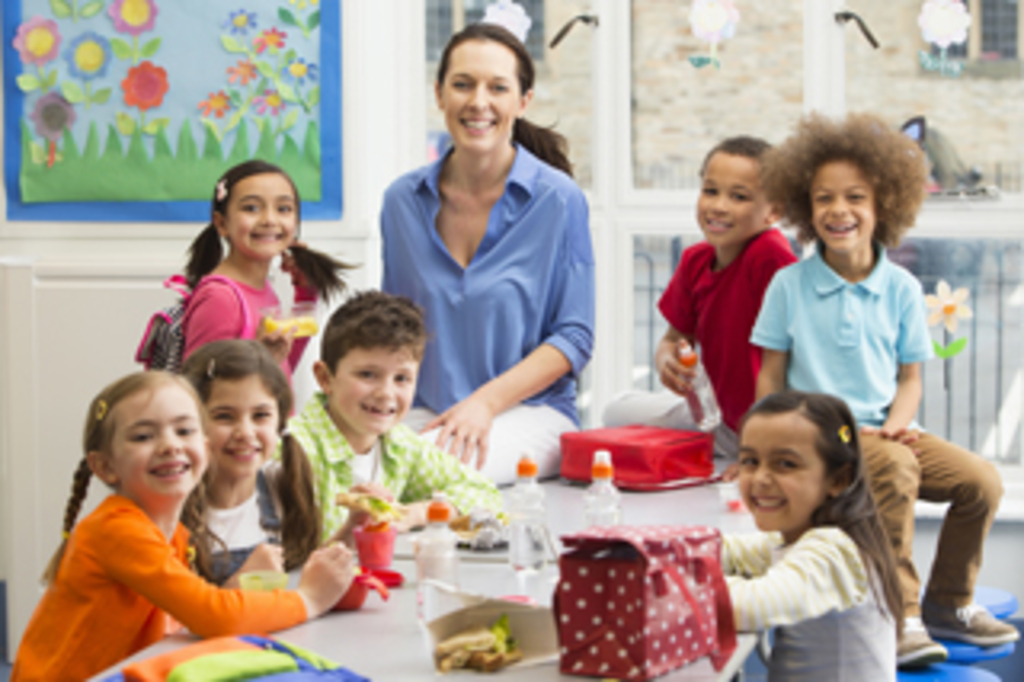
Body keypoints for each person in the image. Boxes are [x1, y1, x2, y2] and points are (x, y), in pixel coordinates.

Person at [751, 112, 1018, 667]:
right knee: (895, 470)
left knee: (982, 483)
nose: (838, 210)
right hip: (824, 437)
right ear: (806, 206)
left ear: (883, 208)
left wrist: (899, 421)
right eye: (823, 198)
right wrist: (765, 446)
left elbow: (911, 378)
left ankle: (950, 602)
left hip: (887, 427)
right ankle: (901, 614)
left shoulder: (899, 286)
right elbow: (772, 374)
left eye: (855, 198)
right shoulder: (789, 285)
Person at [12, 371, 354, 682]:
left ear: (204, 449)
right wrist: (308, 599)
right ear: (105, 466)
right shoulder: (117, 529)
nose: (170, 445)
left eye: (184, 430)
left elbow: (185, 618)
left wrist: (233, 589)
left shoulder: (171, 532)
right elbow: (210, 617)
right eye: (144, 435)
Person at [380, 21, 595, 484]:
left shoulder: (559, 201)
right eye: (463, 84)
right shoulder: (401, 201)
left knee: (427, 473)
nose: (478, 101)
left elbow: (574, 337)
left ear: (523, 101)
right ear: (439, 94)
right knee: (321, 463)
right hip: (427, 411)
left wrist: (485, 404)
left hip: (533, 415)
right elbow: (394, 327)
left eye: (498, 87)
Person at [602, 136, 796, 463]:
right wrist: (667, 363)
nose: (718, 205)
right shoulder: (695, 260)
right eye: (710, 191)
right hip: (716, 418)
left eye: (739, 196)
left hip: (767, 428)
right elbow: (672, 340)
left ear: (773, 211)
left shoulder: (770, 256)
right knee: (614, 410)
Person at [289, 290, 503, 543]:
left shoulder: (399, 444)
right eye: (367, 374)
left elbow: (483, 493)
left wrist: (414, 514)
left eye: (402, 378)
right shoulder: (290, 451)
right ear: (326, 378)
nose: (385, 393)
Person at [725, 391, 901, 681]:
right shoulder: (799, 537)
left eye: (785, 464)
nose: (760, 478)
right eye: (750, 460)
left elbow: (748, 606)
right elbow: (725, 549)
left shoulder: (833, 551)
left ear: (838, 480)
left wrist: (673, 581)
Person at [181, 159, 352, 377]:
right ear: (222, 223)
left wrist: (306, 295)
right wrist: (262, 357)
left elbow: (281, 370)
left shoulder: (263, 290)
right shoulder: (220, 298)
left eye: (283, 208)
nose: (270, 220)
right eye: (251, 208)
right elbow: (199, 391)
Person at [180, 340, 321, 586]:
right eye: (224, 416)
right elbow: (177, 620)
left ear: (280, 421)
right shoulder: (172, 509)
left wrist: (354, 529)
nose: (245, 432)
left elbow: (303, 573)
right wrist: (242, 581)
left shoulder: (281, 483)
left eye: (260, 416)